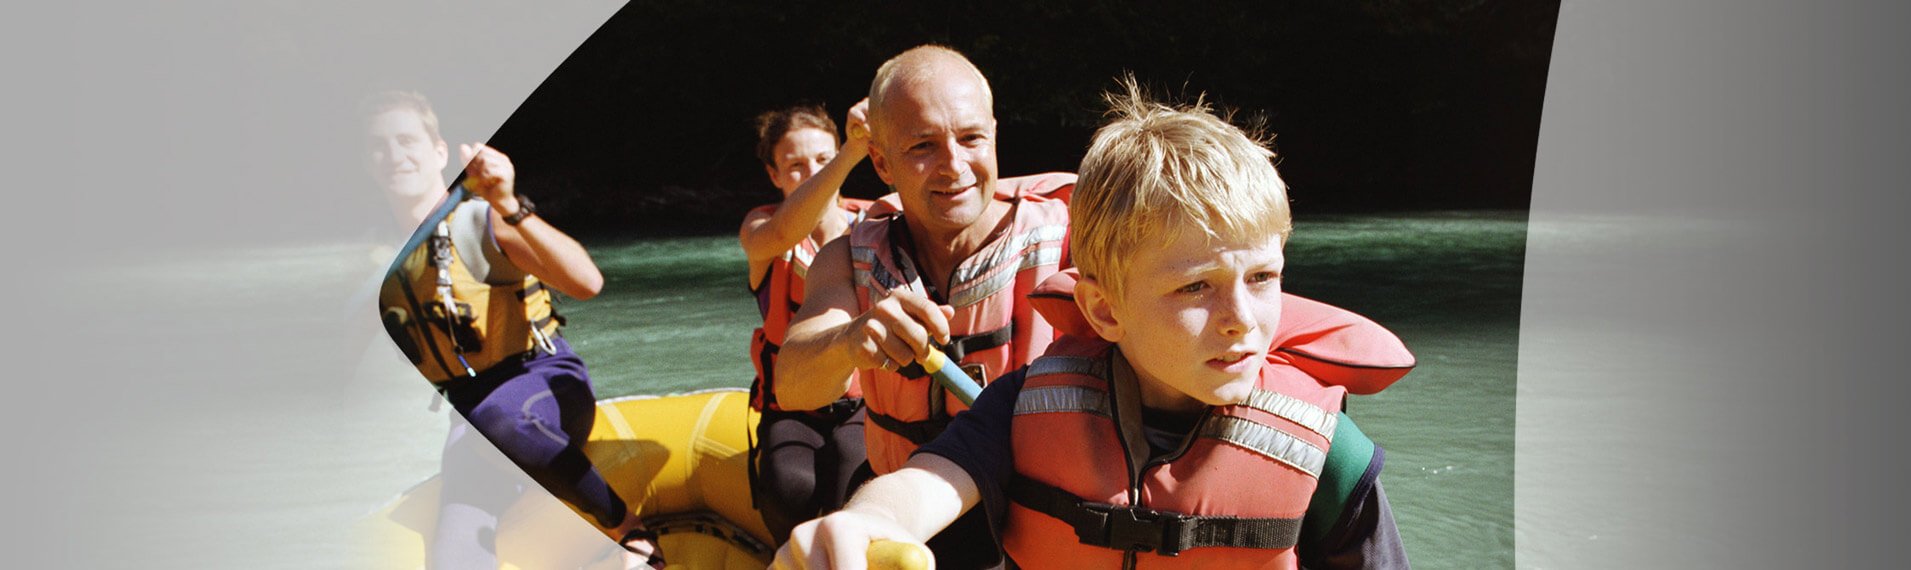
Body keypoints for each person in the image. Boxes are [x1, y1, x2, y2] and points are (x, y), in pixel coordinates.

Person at [772, 83, 1412, 569]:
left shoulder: (1328, 452)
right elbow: (924, 486)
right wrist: (863, 521)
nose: (1241, 321)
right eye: (1196, 287)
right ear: (1105, 310)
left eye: (1263, 278)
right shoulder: (1021, 408)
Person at [773, 45, 1071, 569]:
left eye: (972, 137)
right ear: (883, 162)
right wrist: (848, 340)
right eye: (923, 146)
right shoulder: (848, 257)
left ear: (995, 135)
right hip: (913, 517)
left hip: (1044, 515)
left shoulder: (1074, 240)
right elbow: (794, 385)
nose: (954, 165)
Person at [367, 91, 662, 569]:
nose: (394, 154)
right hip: (472, 421)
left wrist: (507, 202)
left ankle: (626, 526)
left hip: (545, 388)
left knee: (495, 417)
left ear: (439, 152)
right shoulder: (380, 261)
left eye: (406, 139)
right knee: (452, 559)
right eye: (378, 145)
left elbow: (587, 282)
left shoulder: (481, 222)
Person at [738, 102, 878, 544]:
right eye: (795, 166)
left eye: (822, 159)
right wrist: (850, 153)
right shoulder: (761, 228)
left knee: (852, 484)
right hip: (791, 405)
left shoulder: (876, 222)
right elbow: (784, 234)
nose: (812, 173)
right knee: (788, 488)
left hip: (864, 402)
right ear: (774, 175)